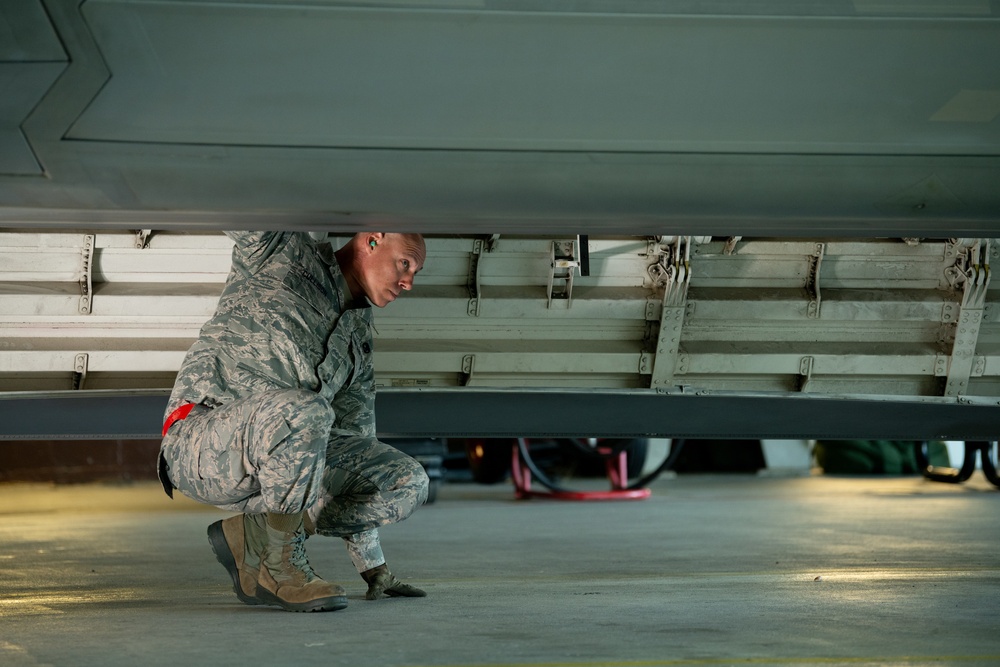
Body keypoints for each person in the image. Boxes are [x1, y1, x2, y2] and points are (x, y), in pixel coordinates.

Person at [157, 230, 430, 612]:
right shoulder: (281, 250)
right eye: (405, 263)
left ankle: (256, 533)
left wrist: (372, 565)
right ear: (372, 240)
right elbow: (234, 188)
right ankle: (279, 568)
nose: (408, 282)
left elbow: (354, 450)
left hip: (279, 470)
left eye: (415, 272)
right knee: (307, 412)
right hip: (201, 443)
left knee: (407, 481)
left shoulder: (356, 340)